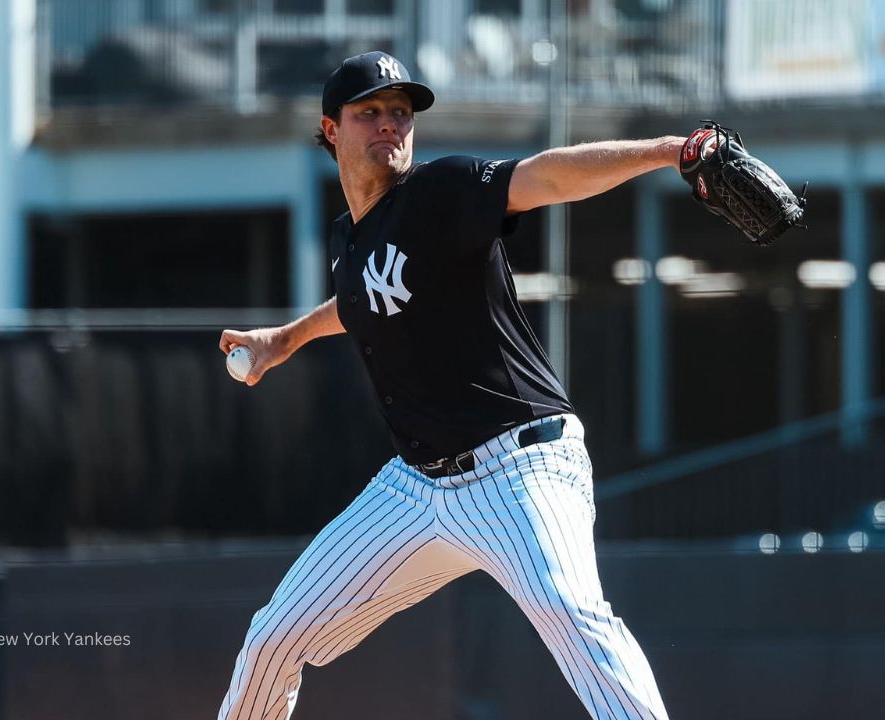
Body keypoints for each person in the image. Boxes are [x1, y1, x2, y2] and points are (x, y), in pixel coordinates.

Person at [217, 50, 679, 720]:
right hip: (417, 487)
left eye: (400, 112)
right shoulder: (353, 243)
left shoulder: (441, 193)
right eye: (368, 111)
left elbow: (546, 177)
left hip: (521, 467)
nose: (389, 124)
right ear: (330, 129)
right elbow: (360, 302)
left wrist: (665, 151)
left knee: (570, 611)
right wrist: (285, 339)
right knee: (272, 638)